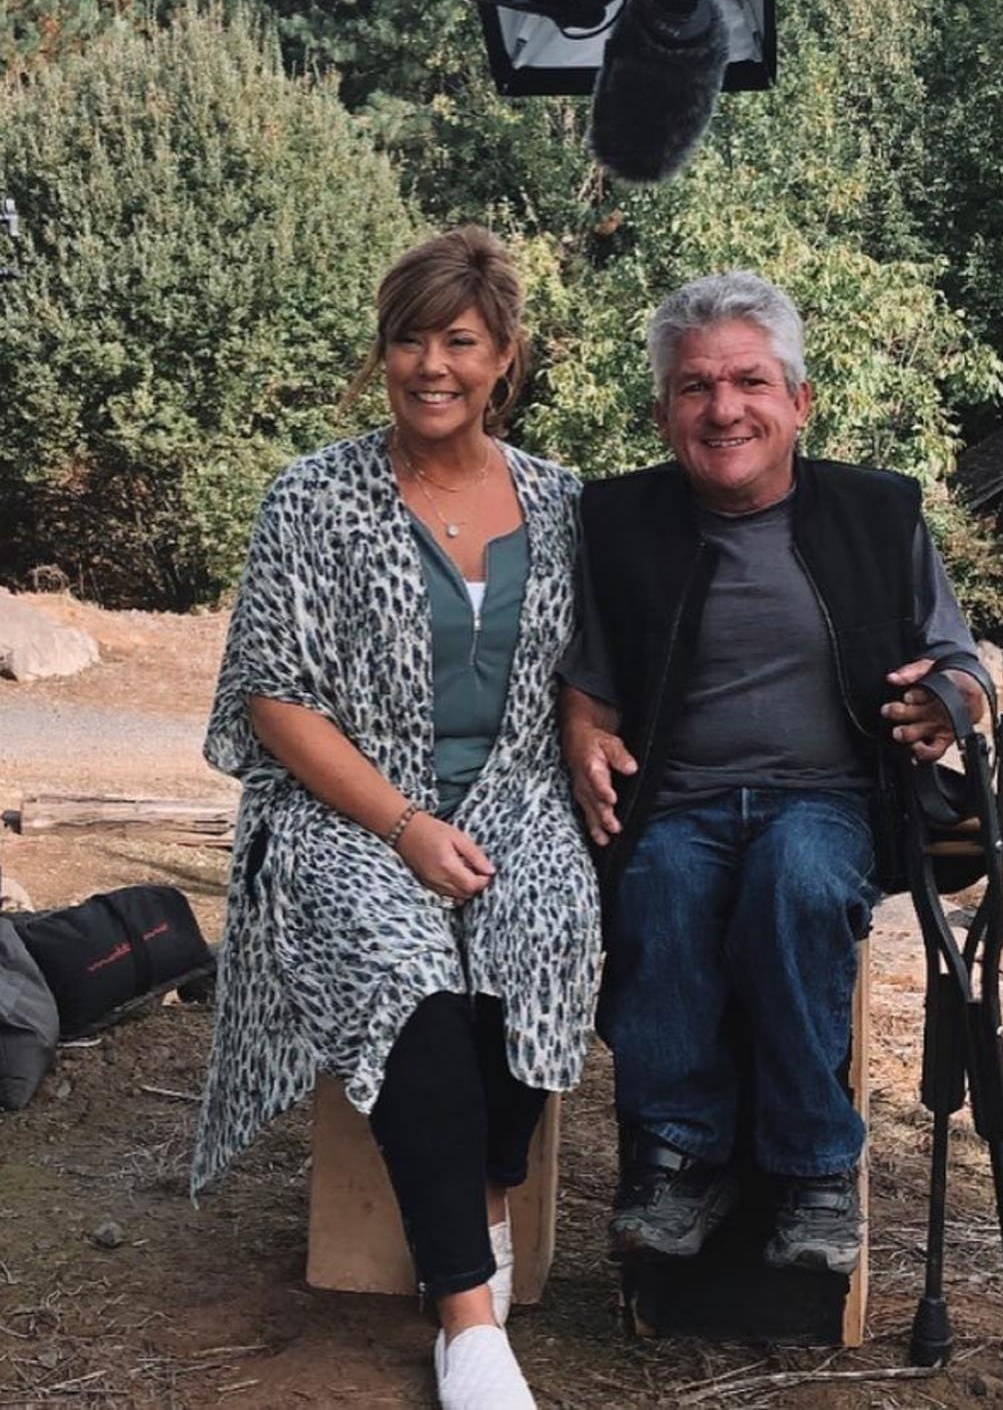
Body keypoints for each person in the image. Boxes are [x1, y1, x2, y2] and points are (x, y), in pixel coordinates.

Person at [193, 227, 598, 1410]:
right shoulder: (314, 497)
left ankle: (473, 1209)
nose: (433, 364)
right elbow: (273, 695)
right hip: (348, 803)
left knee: (547, 926)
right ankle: (468, 1322)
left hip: (517, 794)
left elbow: (593, 663)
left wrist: (578, 733)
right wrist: (406, 825)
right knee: (404, 961)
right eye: (409, 339)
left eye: (459, 340)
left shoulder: (564, 504)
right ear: (382, 355)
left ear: (504, 356)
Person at [558, 271, 985, 1279]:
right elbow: (584, 672)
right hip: (677, 800)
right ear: (663, 412)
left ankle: (813, 1169)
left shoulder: (878, 516)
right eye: (696, 386)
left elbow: (962, 661)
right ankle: (678, 1158)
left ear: (799, 402)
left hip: (829, 801)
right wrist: (580, 731)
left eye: (751, 380)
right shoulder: (616, 521)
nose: (725, 407)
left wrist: (950, 702)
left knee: (794, 881)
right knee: (660, 888)